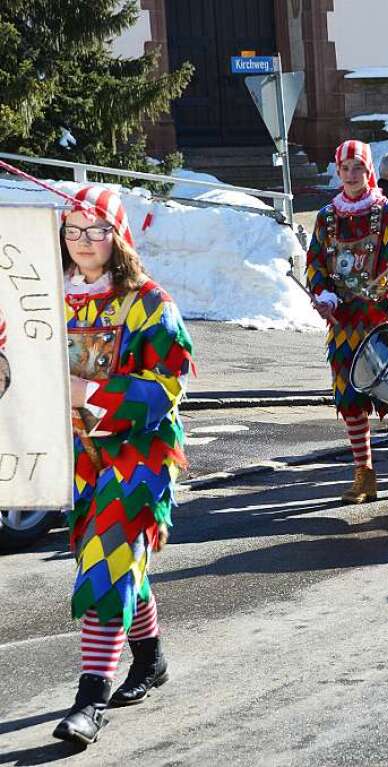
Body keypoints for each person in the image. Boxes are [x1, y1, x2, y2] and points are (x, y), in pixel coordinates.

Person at [54, 186, 193, 745]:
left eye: (95, 231)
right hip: (73, 454)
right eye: (73, 230)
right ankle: (152, 657)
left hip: (138, 454)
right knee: (119, 562)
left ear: (117, 236)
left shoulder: (148, 301)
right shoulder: (43, 297)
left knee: (109, 564)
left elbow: (169, 382)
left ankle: (91, 699)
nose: (83, 242)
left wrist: (87, 391)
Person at [306, 141, 388, 504]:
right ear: (338, 170)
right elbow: (316, 264)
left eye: (358, 168)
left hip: (383, 316)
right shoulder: (326, 217)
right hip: (345, 321)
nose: (351, 174)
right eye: (345, 167)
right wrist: (324, 295)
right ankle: (364, 474)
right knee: (349, 397)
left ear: (368, 172)